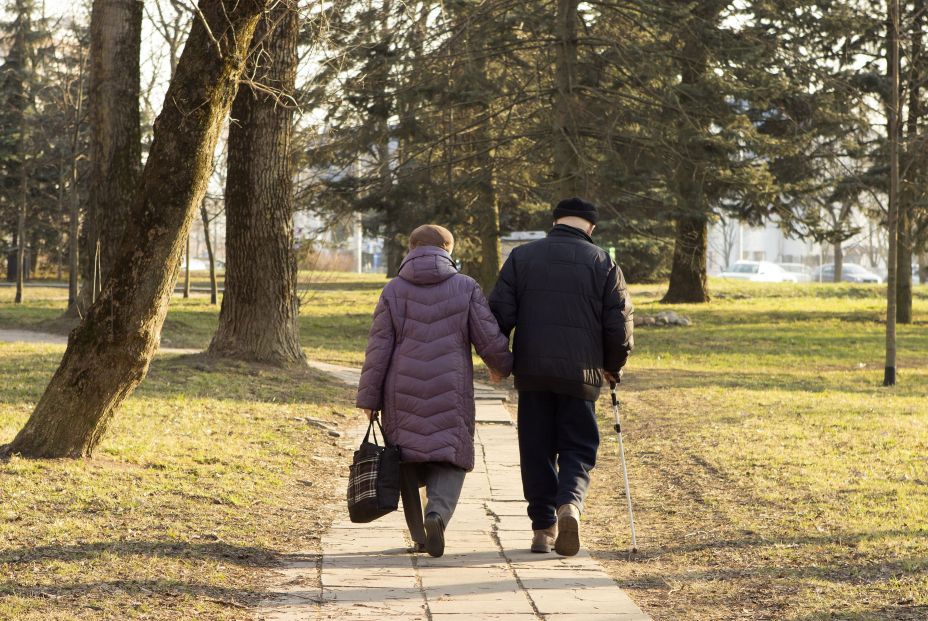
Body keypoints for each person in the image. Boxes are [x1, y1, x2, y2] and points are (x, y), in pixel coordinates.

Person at [356, 224, 513, 558]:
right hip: (450, 387)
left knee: (406, 461)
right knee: (450, 455)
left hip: (401, 390)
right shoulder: (465, 287)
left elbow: (378, 348)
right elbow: (487, 336)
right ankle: (438, 515)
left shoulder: (393, 290)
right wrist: (502, 365)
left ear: (411, 248)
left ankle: (420, 536)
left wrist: (369, 399)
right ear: (448, 249)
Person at [488, 197, 633, 556]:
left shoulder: (522, 257)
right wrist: (614, 366)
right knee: (578, 445)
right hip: (581, 374)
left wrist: (498, 361)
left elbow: (497, 317)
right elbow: (619, 326)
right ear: (591, 227)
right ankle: (569, 504)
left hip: (533, 372)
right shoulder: (603, 262)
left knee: (536, 448)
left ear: (554, 221)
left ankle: (542, 529)